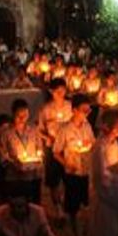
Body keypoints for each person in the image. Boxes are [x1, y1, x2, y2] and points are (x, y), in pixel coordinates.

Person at [53, 94, 95, 236]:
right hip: (72, 173)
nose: (87, 113)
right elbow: (56, 152)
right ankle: (76, 234)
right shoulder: (65, 129)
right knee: (73, 207)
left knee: (87, 204)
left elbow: (93, 143)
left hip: (86, 171)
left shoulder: (87, 126)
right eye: (84, 110)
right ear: (74, 110)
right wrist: (66, 163)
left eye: (89, 110)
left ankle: (86, 231)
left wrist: (89, 145)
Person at [38, 79, 73, 221]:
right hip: (52, 148)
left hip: (68, 147)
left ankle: (66, 202)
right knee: (53, 180)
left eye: (63, 91)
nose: (60, 94)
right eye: (57, 91)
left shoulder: (70, 106)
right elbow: (39, 129)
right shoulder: (45, 109)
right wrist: (47, 137)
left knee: (69, 176)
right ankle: (58, 208)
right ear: (51, 91)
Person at [0, 99, 44, 204]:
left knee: (34, 204)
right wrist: (14, 163)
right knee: (18, 204)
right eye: (19, 115)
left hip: (34, 175)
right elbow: (3, 154)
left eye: (25, 115)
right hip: (14, 176)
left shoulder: (33, 130)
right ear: (13, 114)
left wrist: (39, 158)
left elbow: (40, 148)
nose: (22, 118)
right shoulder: (6, 133)